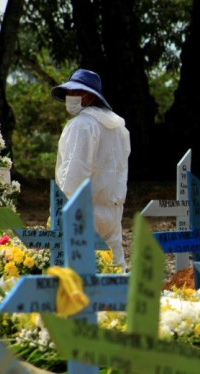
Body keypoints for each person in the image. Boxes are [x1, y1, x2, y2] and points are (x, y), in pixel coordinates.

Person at [51, 69, 130, 268]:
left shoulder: (82, 125)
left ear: (91, 96)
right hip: (112, 211)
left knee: (78, 275)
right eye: (69, 93)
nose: (71, 97)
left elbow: (74, 174)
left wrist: (62, 212)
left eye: (76, 92)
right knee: (114, 271)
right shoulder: (120, 127)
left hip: (83, 211)